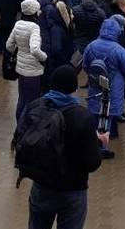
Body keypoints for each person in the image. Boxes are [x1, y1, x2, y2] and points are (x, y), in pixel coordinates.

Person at [21, 66, 105, 229]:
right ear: (74, 87)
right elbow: (93, 163)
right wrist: (99, 143)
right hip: (72, 189)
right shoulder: (82, 116)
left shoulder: (35, 107)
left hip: (41, 184)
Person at [81, 17, 125, 159]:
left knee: (96, 114)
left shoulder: (91, 46)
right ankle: (103, 148)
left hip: (96, 86)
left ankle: (93, 143)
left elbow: (85, 65)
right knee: (107, 117)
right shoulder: (119, 50)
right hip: (113, 87)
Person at [8, 0, 47, 122]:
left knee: (22, 98)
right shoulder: (35, 27)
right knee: (32, 101)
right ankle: (26, 125)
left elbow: (9, 45)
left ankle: (19, 123)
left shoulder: (18, 24)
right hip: (33, 70)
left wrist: (20, 52)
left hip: (20, 67)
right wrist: (44, 57)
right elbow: (35, 49)